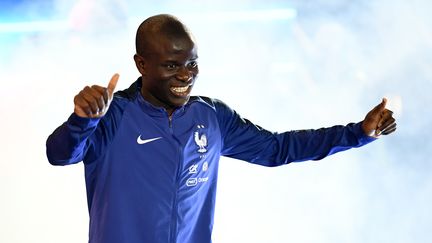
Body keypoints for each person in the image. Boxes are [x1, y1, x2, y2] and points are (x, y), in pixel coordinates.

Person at [46, 14, 396, 243]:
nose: (186, 75)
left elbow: (278, 149)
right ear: (141, 64)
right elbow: (59, 154)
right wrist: (82, 119)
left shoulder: (212, 117)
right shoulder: (113, 115)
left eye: (192, 63)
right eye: (171, 65)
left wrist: (358, 133)